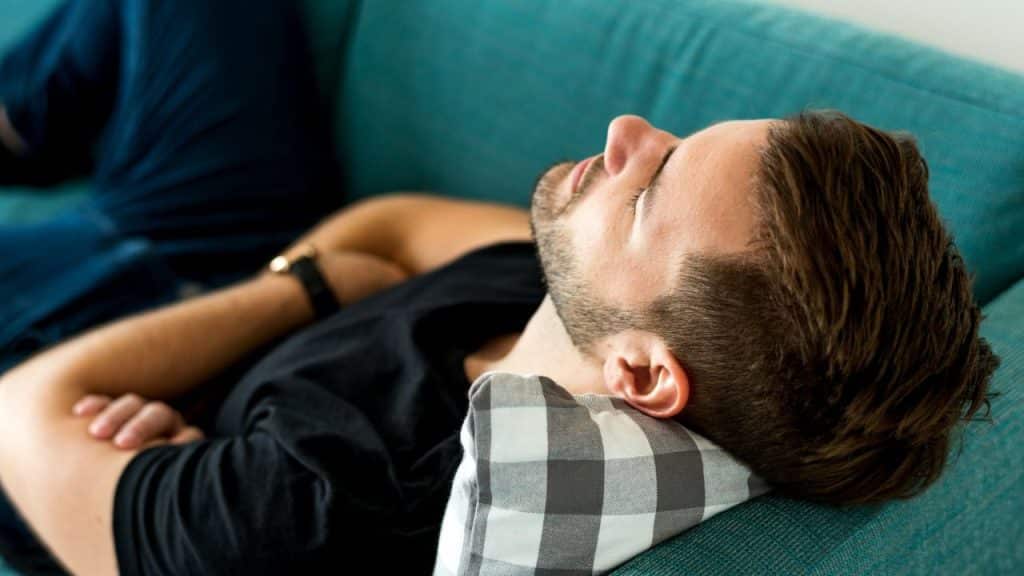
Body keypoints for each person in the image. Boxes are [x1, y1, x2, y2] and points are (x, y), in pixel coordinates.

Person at [0, 1, 1000, 575]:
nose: (625, 134)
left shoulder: (316, 508)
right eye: (677, 143)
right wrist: (310, 278)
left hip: (67, 349)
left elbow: (20, 418)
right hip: (245, 263)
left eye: (649, 191)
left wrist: (315, 289)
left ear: (644, 378)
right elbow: (389, 225)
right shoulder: (588, 301)